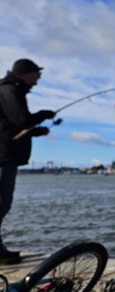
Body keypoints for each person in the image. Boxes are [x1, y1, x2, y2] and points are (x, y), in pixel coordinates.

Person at [0, 59, 55, 264]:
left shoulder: (10, 90)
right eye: (37, 74)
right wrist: (43, 115)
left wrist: (38, 130)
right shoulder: (9, 90)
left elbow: (12, 125)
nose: (38, 79)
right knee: (1, 202)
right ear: (26, 73)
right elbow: (21, 121)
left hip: (6, 153)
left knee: (3, 202)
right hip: (3, 155)